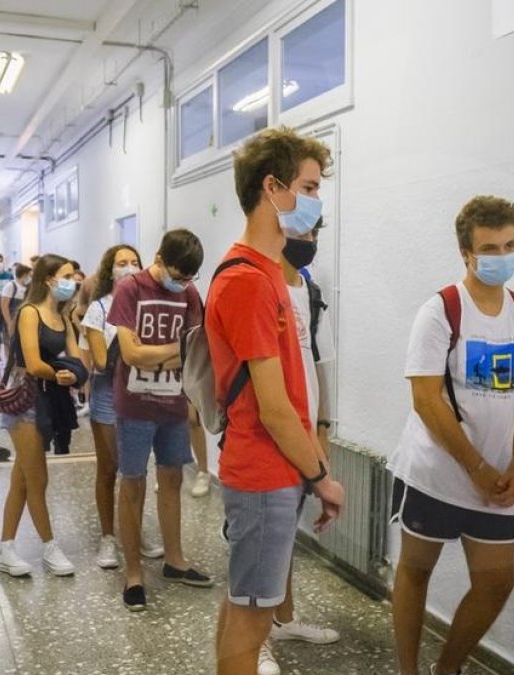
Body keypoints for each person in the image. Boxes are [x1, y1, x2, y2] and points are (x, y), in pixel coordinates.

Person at [207, 127, 345, 675]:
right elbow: (274, 406)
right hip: (264, 472)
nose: (314, 201)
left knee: (244, 605)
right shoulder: (248, 281)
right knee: (251, 623)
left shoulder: (267, 274)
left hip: (271, 470)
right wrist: (320, 476)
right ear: (273, 187)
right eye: (308, 188)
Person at [388, 196, 514, 675]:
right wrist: (475, 467)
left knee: (497, 583)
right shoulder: (441, 310)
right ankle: (409, 669)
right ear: (467, 254)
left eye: (511, 244)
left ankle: (447, 668)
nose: (503, 255)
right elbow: (426, 399)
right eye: (490, 247)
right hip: (437, 472)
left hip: (496, 483)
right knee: (416, 572)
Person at [251, 217, 341, 675]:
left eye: (314, 236)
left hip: (305, 433)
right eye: (301, 233)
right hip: (266, 435)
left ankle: (281, 619)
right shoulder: (260, 285)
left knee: (286, 534)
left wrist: (322, 429)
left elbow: (318, 364)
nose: (308, 243)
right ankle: (256, 640)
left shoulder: (309, 290)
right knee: (258, 541)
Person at [108, 229, 213, 611]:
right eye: (177, 274)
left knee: (171, 479)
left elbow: (198, 350)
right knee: (132, 484)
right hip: (134, 405)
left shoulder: (188, 293)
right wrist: (176, 350)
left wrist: (164, 353)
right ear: (159, 257)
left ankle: (174, 559)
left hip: (172, 405)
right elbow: (131, 354)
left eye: (189, 278)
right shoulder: (130, 289)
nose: (183, 283)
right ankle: (133, 573)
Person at [0, 254, 83, 578]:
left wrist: (72, 374)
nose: (73, 281)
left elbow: (78, 361)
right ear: (48, 279)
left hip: (52, 402)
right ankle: (49, 546)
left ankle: (5, 547)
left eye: (74, 276)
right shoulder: (29, 313)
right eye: (67, 275)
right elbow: (33, 363)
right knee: (37, 479)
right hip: (28, 401)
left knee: (21, 479)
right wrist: (65, 373)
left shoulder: (63, 316)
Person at [81, 244, 164, 568]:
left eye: (134, 262)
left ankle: (135, 531)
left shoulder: (149, 304)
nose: (128, 268)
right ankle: (108, 538)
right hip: (106, 395)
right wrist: (133, 348)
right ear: (109, 270)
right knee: (109, 467)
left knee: (137, 469)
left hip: (142, 392)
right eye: (121, 263)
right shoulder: (98, 310)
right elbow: (99, 361)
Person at [0, 263, 31, 338]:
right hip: (13, 320)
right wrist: (9, 323)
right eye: (29, 275)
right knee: (11, 344)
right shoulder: (11, 286)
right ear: (24, 275)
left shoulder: (28, 287)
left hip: (24, 321)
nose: (30, 278)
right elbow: (4, 306)